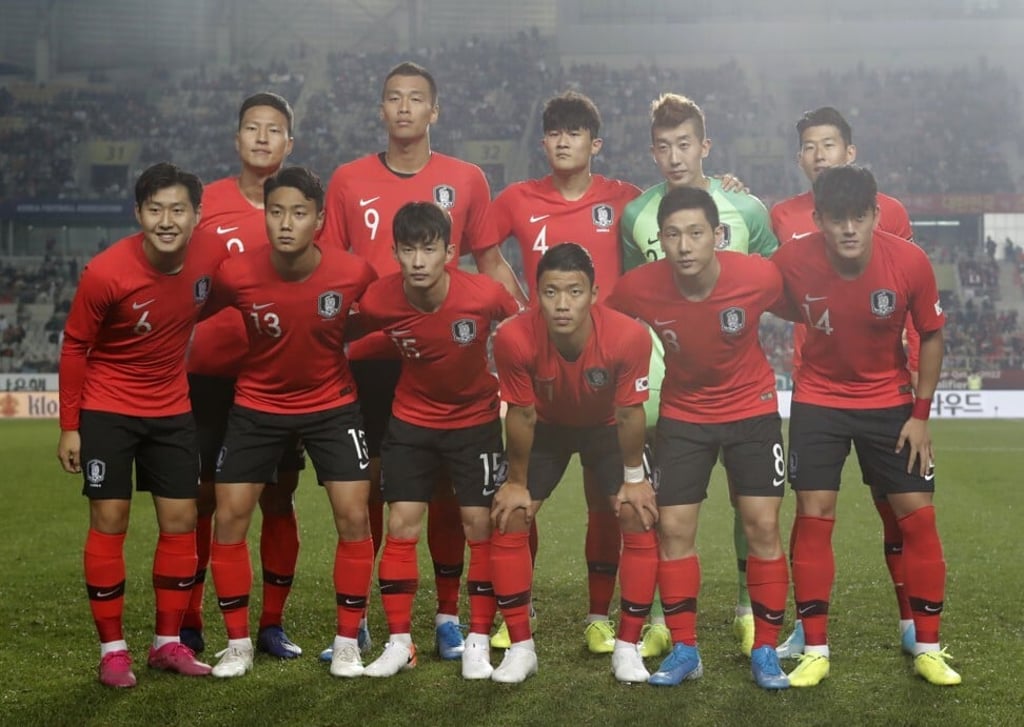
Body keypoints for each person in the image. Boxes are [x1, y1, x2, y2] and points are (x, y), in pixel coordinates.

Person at [320, 61, 526, 663]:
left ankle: (445, 617)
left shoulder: (466, 179)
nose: (405, 108)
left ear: (434, 111)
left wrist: (525, 328)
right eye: (394, 98)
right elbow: (333, 271)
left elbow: (488, 264)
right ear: (380, 109)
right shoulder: (347, 180)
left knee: (445, 495)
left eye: (417, 100)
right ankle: (365, 620)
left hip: (446, 361)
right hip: (370, 359)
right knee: (375, 492)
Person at [770, 165, 958, 687]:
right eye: (837, 219)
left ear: (876, 215)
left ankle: (927, 646)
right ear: (818, 220)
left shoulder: (910, 262)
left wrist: (920, 416)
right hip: (818, 401)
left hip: (889, 402)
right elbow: (763, 293)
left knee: (917, 518)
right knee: (814, 514)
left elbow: (933, 334)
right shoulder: (792, 258)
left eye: (859, 217)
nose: (849, 229)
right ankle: (816, 648)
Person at [475, 90, 646, 656]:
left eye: (576, 132)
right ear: (544, 141)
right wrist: (522, 307)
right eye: (555, 133)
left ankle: (600, 616)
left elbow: (667, 226)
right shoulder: (517, 199)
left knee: (608, 506)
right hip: (544, 385)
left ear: (595, 144)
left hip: (605, 379)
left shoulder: (624, 199)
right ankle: (516, 614)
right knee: (519, 504)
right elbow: (484, 249)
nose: (564, 141)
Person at [608, 186, 790, 690]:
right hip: (683, 416)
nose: (684, 246)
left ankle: (767, 649)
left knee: (762, 528)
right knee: (674, 530)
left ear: (717, 236)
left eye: (695, 233)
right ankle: (686, 649)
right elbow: (605, 322)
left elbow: (806, 300)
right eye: (673, 235)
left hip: (751, 411)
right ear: (660, 240)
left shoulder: (757, 275)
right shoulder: (639, 286)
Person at [202, 167, 377, 679]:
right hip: (257, 406)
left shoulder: (353, 272)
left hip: (333, 404)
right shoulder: (236, 273)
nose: (285, 223)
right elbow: (186, 313)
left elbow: (379, 314)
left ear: (319, 220)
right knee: (230, 518)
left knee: (354, 516)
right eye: (275, 212)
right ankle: (237, 645)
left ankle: (347, 642)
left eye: (298, 213)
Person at [57, 162, 220, 687]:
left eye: (177, 209)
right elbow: (76, 345)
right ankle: (113, 650)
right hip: (109, 409)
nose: (166, 220)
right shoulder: (106, 271)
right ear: (138, 214)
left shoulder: (210, 256)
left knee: (181, 522)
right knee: (110, 521)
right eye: (155, 210)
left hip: (173, 409)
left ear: (197, 214)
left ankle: (166, 644)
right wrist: (70, 425)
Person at [770, 106, 921, 661]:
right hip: (818, 387)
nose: (818, 155)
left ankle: (912, 619)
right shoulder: (781, 215)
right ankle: (803, 626)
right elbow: (772, 285)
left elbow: (902, 287)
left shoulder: (891, 212)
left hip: (885, 387)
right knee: (810, 510)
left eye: (828, 144)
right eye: (809, 146)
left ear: (849, 152)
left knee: (895, 505)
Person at [357, 201, 520, 680]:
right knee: (401, 525)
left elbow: (523, 335)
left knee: (478, 527)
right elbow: (341, 334)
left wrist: (512, 396)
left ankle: (476, 640)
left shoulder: (485, 294)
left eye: (429, 249)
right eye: (408, 250)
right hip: (411, 421)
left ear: (450, 251)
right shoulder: (378, 300)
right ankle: (399, 642)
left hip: (475, 422)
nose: (419, 261)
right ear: (395, 253)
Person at [489, 242, 657, 684]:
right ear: (536, 294)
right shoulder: (513, 335)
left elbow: (629, 413)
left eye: (574, 292)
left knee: (636, 514)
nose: (562, 304)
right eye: (550, 292)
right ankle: (522, 648)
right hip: (547, 425)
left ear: (594, 293)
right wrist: (517, 482)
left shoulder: (627, 335)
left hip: (605, 428)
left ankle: (627, 646)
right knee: (512, 515)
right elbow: (522, 414)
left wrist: (635, 479)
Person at [181, 91, 308, 659]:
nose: (261, 137)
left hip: (278, 381)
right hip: (207, 379)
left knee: (277, 499)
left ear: (288, 143)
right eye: (251, 128)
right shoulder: (202, 204)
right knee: (202, 500)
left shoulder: (303, 207)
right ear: (237, 140)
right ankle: (188, 621)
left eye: (273, 129)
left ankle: (272, 625)